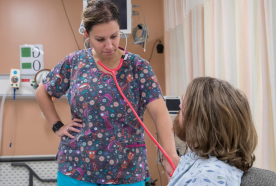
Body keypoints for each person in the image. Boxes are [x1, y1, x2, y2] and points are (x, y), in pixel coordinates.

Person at [35, 0, 179, 185]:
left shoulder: (138, 67)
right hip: (78, 167)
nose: (109, 45)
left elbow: (160, 113)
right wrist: (57, 126)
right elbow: (43, 91)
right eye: (100, 39)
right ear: (87, 35)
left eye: (114, 36)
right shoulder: (74, 62)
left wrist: (170, 156)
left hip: (128, 169)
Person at [168, 77, 258, 186]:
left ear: (200, 123)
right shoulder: (200, 158)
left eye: (183, 107)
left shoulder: (208, 176)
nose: (180, 106)